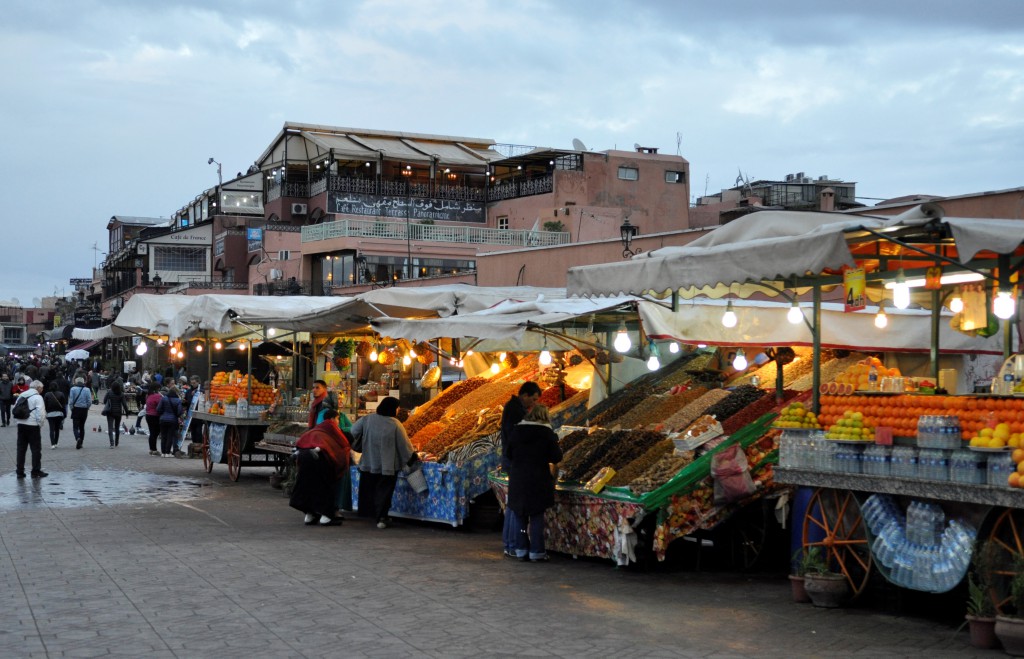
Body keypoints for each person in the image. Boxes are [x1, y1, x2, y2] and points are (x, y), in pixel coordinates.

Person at [506, 404, 562, 562]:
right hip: (538, 479)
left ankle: (521, 549)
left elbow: (508, 453)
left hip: (518, 478)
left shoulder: (516, 431)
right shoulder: (546, 432)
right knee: (536, 517)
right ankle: (536, 551)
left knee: (520, 518)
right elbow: (556, 457)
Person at [350, 396, 414, 529]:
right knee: (384, 492)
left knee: (370, 490)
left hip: (369, 463)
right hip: (388, 466)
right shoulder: (395, 424)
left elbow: (353, 431)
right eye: (397, 408)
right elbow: (404, 446)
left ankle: (370, 515)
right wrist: (412, 458)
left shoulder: (367, 419)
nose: (397, 411)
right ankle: (381, 518)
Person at [499, 381, 543, 558]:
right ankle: (512, 544)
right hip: (517, 463)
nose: (533, 403)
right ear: (524, 395)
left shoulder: (514, 408)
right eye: (532, 399)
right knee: (515, 506)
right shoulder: (516, 411)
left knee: (514, 504)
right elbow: (515, 440)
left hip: (513, 462)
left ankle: (513, 544)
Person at [289, 410, 351, 526]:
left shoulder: (317, 429)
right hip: (322, 460)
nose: (338, 422)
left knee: (306, 486)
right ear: (333, 419)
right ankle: (326, 517)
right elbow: (342, 445)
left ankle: (309, 515)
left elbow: (302, 441)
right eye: (337, 419)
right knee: (324, 488)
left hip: (304, 458)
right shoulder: (332, 429)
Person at [15, 380, 47, 478]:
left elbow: (16, 408)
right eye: (41, 388)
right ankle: (35, 471)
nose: (42, 390)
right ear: (38, 388)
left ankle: (20, 471)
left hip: (21, 424)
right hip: (33, 425)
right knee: (36, 449)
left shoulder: (22, 395)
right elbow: (41, 413)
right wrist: (40, 424)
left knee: (21, 449)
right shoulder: (38, 397)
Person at [156, 386, 184, 457]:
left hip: (162, 420)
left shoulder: (163, 398)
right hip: (173, 421)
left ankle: (163, 453)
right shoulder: (178, 400)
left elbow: (158, 409)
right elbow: (179, 411)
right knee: (170, 437)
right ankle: (167, 453)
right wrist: (177, 416)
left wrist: (163, 414)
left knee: (163, 436)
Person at [102, 381, 130, 448]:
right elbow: (124, 404)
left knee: (110, 428)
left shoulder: (109, 392)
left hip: (110, 412)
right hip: (118, 413)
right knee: (117, 428)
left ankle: (111, 443)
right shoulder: (121, 394)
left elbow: (104, 401)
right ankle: (116, 442)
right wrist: (127, 413)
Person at [68, 376, 93, 449]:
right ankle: (81, 442)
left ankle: (77, 438)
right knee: (82, 427)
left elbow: (71, 401)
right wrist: (87, 407)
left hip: (76, 409)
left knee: (75, 427)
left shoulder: (73, 389)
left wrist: (72, 409)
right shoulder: (87, 390)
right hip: (84, 410)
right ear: (83, 382)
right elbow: (89, 401)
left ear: (76, 382)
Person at [43, 381, 67, 449]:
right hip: (59, 414)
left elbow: (45, 405)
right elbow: (63, 405)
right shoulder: (61, 394)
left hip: (50, 414)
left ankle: (52, 444)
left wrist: (47, 411)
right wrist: (64, 414)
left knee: (51, 429)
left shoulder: (47, 394)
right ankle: (56, 443)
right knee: (57, 429)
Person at [144, 383, 163, 456]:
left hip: (148, 415)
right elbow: (160, 405)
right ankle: (154, 449)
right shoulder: (158, 396)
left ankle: (151, 449)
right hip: (155, 415)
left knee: (152, 432)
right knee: (156, 432)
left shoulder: (148, 395)